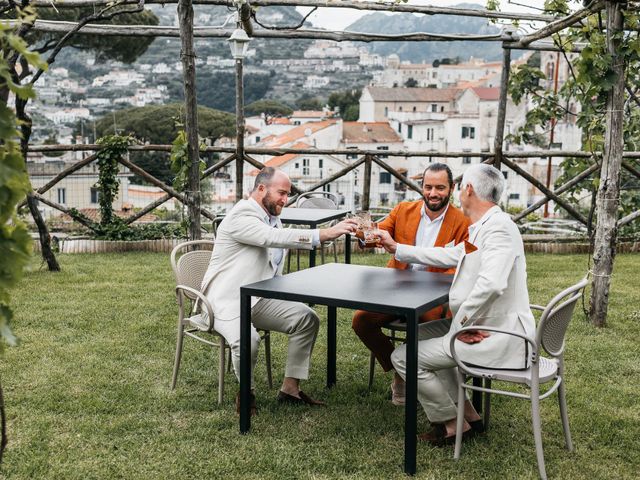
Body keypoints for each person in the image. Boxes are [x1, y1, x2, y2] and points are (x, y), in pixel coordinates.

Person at [377, 163, 536, 446]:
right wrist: (397, 248)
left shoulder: (498, 230)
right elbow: (451, 255)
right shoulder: (484, 227)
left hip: (500, 336)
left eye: (461, 187)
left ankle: (451, 423)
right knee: (420, 337)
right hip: (485, 326)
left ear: (469, 190)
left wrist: (460, 326)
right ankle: (470, 416)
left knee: (402, 357)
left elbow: (491, 284)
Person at [201, 167, 357, 413]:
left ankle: (290, 389)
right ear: (261, 188)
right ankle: (246, 393)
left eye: (288, 194)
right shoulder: (241, 215)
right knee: (248, 339)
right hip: (225, 301)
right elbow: (272, 238)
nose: (285, 199)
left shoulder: (272, 217)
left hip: (256, 298)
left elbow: (272, 258)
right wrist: (325, 234)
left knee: (306, 318)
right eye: (281, 193)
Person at [351, 163, 470, 406]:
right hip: (396, 289)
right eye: (428, 187)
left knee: (429, 322)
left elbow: (460, 265)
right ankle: (400, 371)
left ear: (452, 188)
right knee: (361, 321)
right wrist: (363, 233)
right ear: (421, 187)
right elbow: (377, 235)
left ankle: (423, 376)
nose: (433, 193)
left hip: (434, 295)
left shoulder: (462, 221)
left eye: (439, 187)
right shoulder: (403, 209)